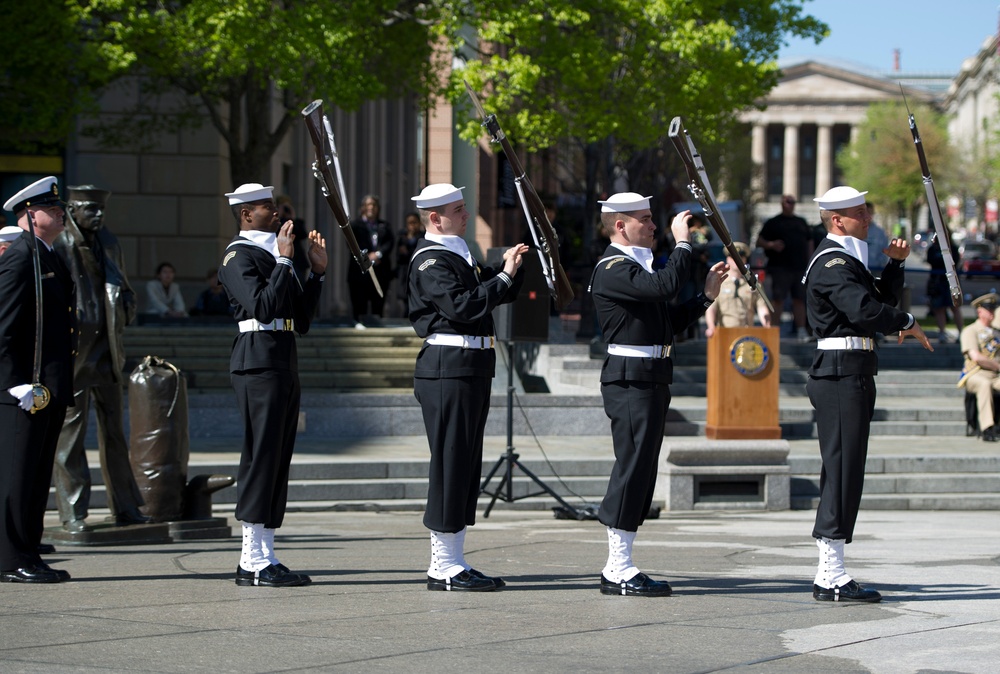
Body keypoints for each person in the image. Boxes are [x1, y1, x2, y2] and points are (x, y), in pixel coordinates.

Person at [589, 192, 726, 597]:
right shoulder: (613, 267)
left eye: (652, 219)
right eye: (645, 220)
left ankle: (622, 563)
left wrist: (705, 297)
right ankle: (617, 566)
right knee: (632, 466)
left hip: (650, 374)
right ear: (620, 226)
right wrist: (682, 243)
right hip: (630, 378)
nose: (653, 226)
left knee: (642, 466)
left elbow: (666, 320)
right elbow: (665, 287)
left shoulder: (635, 267)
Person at [803, 185, 931, 603]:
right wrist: (906, 320)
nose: (868, 217)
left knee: (847, 467)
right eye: (860, 212)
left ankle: (832, 568)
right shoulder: (834, 261)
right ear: (837, 220)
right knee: (842, 469)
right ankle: (830, 573)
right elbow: (865, 311)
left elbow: (876, 298)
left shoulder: (847, 260)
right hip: (840, 372)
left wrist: (894, 267)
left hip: (853, 370)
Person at [406, 183, 529, 592]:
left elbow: (484, 295)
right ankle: (442, 564)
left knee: (465, 466)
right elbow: (463, 306)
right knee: (450, 463)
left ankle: (454, 559)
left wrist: (510, 269)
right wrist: (505, 276)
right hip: (447, 368)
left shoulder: (457, 252)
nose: (464, 214)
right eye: (457, 209)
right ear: (435, 218)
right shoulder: (429, 261)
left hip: (470, 365)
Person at [217, 182, 327, 588]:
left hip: (281, 355)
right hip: (257, 359)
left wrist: (314, 273)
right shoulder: (237, 255)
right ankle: (250, 558)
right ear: (246, 214)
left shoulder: (275, 254)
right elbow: (262, 305)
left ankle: (265, 552)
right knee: (261, 455)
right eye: (267, 207)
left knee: (278, 458)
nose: (277, 212)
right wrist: (284, 263)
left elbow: (300, 318)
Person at [52, 185, 148, 534]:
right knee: (70, 436)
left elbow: (125, 288)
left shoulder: (109, 242)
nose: (99, 215)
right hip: (76, 353)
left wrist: (125, 307)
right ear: (73, 209)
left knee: (114, 434)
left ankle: (125, 507)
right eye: (91, 209)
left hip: (107, 350)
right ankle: (73, 513)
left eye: (101, 209)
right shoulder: (61, 245)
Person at [0, 176, 75, 583]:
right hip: (23, 391)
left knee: (36, 477)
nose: (61, 213)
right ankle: (11, 559)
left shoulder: (48, 254)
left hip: (46, 388)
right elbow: (4, 325)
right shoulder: (19, 255)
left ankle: (28, 551)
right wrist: (14, 382)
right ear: (30, 214)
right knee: (17, 476)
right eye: (52, 208)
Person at [757, 194, 813, 340]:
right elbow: (759, 240)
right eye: (787, 202)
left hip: (799, 267)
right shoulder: (773, 222)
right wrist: (771, 245)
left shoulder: (801, 222)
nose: (790, 204)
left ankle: (801, 330)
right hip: (780, 267)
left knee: (799, 299)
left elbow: (809, 242)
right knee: (778, 299)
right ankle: (774, 331)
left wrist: (811, 261)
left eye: (792, 202)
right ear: (782, 203)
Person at [704, 241, 772, 338]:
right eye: (733, 257)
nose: (736, 261)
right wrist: (711, 327)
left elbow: (761, 307)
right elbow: (711, 308)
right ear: (727, 258)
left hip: (747, 334)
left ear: (745, 259)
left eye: (740, 257)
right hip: (725, 334)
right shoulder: (720, 282)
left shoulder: (753, 283)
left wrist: (767, 325)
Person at [958, 293, 1000, 442]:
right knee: (985, 385)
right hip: (976, 373)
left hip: (996, 374)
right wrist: (997, 365)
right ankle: (987, 428)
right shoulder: (971, 331)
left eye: (993, 309)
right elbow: (976, 356)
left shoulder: (997, 332)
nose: (992, 312)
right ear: (979, 311)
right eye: (988, 309)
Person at [347, 194, 394, 325]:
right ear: (363, 208)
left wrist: (378, 254)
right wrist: (365, 257)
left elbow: (389, 243)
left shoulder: (384, 226)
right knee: (359, 297)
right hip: (360, 270)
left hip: (380, 270)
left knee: (377, 299)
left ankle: (376, 320)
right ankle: (358, 321)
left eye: (374, 205)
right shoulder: (354, 225)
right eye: (368, 205)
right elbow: (351, 244)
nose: (371, 208)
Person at [926, 237, 963, 343]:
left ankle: (961, 333)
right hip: (937, 282)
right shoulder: (933, 249)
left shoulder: (953, 248)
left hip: (951, 281)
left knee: (955, 307)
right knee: (939, 308)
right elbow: (931, 260)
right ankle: (942, 333)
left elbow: (954, 261)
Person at [394, 211, 424, 310]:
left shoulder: (423, 237)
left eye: (414, 223)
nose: (412, 226)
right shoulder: (402, 237)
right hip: (405, 272)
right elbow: (398, 256)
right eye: (410, 223)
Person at [864, 202, 890, 273]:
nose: (867, 216)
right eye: (864, 212)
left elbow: (884, 253)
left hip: (875, 271)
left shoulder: (880, 233)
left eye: (870, 213)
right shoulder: (854, 231)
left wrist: (879, 265)